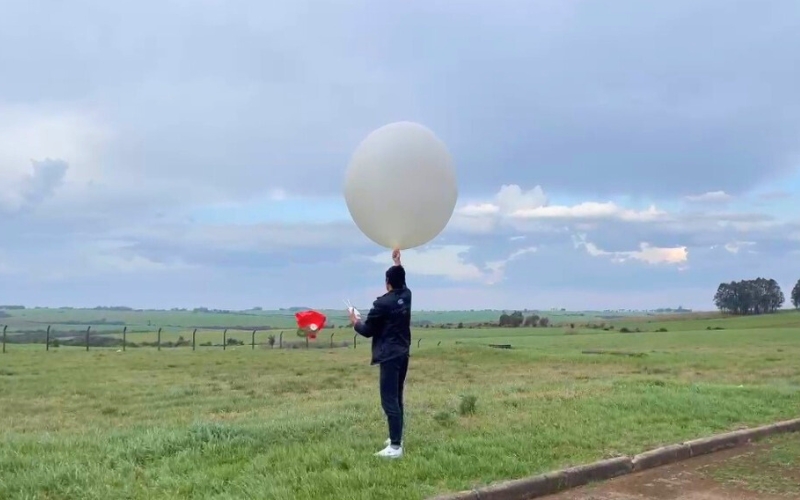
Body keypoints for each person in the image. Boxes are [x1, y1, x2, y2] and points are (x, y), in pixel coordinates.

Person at [349, 248, 411, 459]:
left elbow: (367, 331)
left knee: (388, 400)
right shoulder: (406, 296)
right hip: (403, 353)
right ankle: (397, 437)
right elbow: (401, 279)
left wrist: (355, 321)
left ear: (387, 283)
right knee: (397, 397)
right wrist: (397, 263)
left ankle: (395, 447)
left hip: (389, 356)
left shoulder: (382, 304)